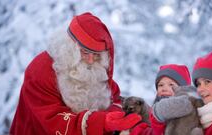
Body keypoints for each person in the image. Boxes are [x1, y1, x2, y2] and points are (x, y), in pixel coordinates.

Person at [10, 12, 141, 135]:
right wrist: (101, 122)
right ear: (70, 46)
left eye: (96, 54)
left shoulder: (95, 64)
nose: (91, 60)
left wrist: (114, 114)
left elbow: (111, 93)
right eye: (84, 52)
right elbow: (52, 121)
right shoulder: (39, 71)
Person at [130, 64, 194, 135]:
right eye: (161, 85)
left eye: (171, 85)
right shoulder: (154, 113)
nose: (164, 89)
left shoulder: (187, 115)